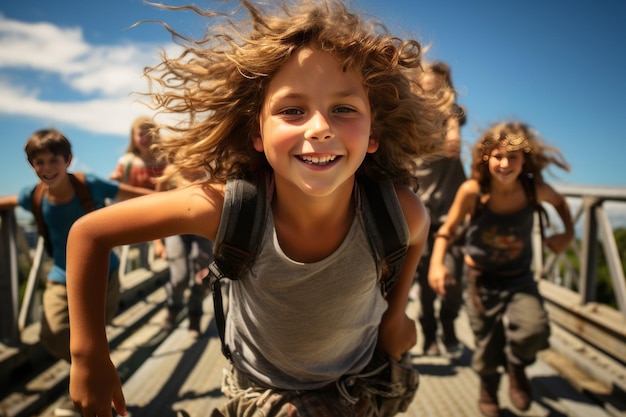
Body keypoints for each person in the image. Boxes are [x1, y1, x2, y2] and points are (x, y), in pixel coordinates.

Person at [65, 1, 447, 416]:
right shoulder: (228, 208)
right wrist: (89, 356)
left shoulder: (397, 212)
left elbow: (418, 234)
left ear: (373, 133)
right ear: (257, 133)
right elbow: (90, 233)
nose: (319, 127)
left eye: (344, 109)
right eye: (292, 110)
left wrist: (395, 314)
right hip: (261, 389)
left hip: (356, 382)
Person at [0, 128, 153, 417]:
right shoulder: (33, 197)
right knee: (54, 333)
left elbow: (134, 196)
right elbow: (8, 202)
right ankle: (89, 370)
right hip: (61, 274)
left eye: (53, 160)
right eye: (39, 162)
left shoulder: (89, 185)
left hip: (102, 273)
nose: (46, 169)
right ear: (32, 165)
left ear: (68, 160)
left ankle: (96, 384)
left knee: (98, 337)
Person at [428, 121, 574, 417]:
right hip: (480, 279)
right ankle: (489, 387)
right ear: (486, 157)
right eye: (498, 156)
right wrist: (436, 264)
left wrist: (567, 233)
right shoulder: (473, 191)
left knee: (534, 330)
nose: (505, 164)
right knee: (487, 341)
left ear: (525, 160)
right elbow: (448, 229)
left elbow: (560, 203)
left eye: (514, 157)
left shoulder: (533, 189)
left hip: (519, 278)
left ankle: (517, 365)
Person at [412, 60, 467, 357]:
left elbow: (454, 119)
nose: (429, 95)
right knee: (424, 281)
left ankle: (448, 323)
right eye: (424, 89)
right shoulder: (408, 121)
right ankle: (430, 333)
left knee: (453, 279)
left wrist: (453, 132)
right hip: (420, 212)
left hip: (451, 214)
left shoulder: (453, 116)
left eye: (436, 90)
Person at [154, 165, 213, 336]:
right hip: (175, 232)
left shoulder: (208, 169)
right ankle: (174, 308)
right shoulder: (170, 173)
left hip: (202, 232)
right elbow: (156, 207)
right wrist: (158, 243)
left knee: (203, 279)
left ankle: (194, 316)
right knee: (180, 277)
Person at [110, 116, 166, 269]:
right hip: (135, 210)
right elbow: (120, 178)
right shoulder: (126, 161)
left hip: (159, 208)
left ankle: (157, 250)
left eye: (149, 133)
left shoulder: (164, 160)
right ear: (133, 137)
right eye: (141, 134)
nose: (145, 138)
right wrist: (117, 177)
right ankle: (145, 264)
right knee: (140, 240)